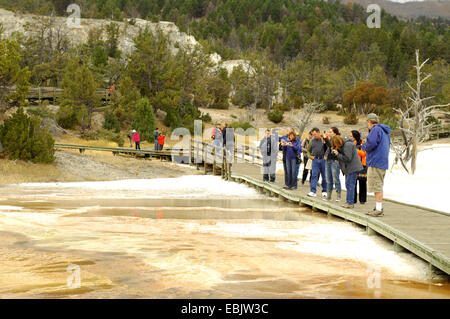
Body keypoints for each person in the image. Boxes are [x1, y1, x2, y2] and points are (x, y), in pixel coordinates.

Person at [362, 113, 391, 217]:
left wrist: (363, 146)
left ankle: (378, 209)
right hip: (383, 162)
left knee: (376, 185)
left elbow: (371, 143)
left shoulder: (375, 129)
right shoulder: (385, 131)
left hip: (375, 161)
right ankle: (378, 207)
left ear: (369, 121)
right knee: (378, 184)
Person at [331, 135, 363, 209]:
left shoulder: (348, 145)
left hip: (353, 168)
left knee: (350, 185)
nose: (336, 146)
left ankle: (350, 203)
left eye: (336, 145)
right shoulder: (345, 144)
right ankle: (348, 201)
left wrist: (338, 154)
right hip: (349, 168)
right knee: (348, 185)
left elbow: (347, 158)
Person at [307, 128, 327, 197]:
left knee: (324, 176)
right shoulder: (311, 141)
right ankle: (313, 191)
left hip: (323, 160)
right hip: (315, 160)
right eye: (313, 135)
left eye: (315, 134)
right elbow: (308, 151)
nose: (314, 136)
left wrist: (326, 156)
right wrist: (310, 156)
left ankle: (324, 191)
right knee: (314, 176)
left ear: (319, 133)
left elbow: (328, 149)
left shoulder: (324, 140)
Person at [324, 127, 342, 202]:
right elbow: (327, 148)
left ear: (335, 133)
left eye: (331, 132)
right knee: (328, 179)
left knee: (336, 178)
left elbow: (331, 146)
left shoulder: (337, 139)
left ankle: (338, 196)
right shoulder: (330, 139)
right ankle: (328, 196)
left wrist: (326, 139)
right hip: (328, 160)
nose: (329, 133)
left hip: (335, 161)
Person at [351, 130, 367, 205]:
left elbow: (363, 154)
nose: (350, 137)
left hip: (362, 166)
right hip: (353, 165)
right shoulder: (350, 143)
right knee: (353, 182)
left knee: (362, 182)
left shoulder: (362, 144)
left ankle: (362, 200)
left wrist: (355, 149)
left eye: (351, 136)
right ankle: (353, 199)